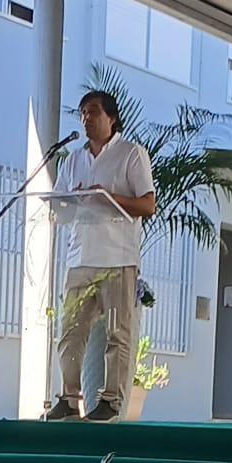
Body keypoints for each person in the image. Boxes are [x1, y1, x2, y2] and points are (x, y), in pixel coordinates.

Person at [47, 89, 155, 422]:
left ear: (112, 117)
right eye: (82, 113)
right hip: (80, 257)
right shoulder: (72, 159)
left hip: (117, 258)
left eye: (93, 112)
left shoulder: (131, 154)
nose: (86, 118)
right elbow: (60, 207)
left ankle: (110, 400)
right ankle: (68, 398)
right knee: (70, 332)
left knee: (117, 333)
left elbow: (147, 204)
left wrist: (108, 197)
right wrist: (66, 202)